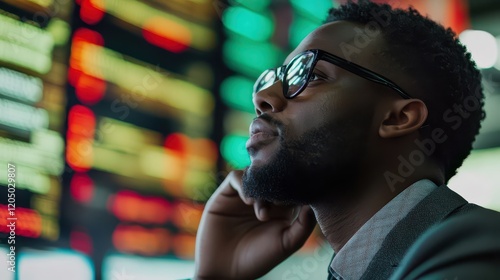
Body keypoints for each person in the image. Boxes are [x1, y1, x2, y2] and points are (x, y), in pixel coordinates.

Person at [194, 1, 500, 279]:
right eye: (277, 78)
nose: (263, 97)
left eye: (310, 75)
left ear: (398, 118)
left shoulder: (474, 249)